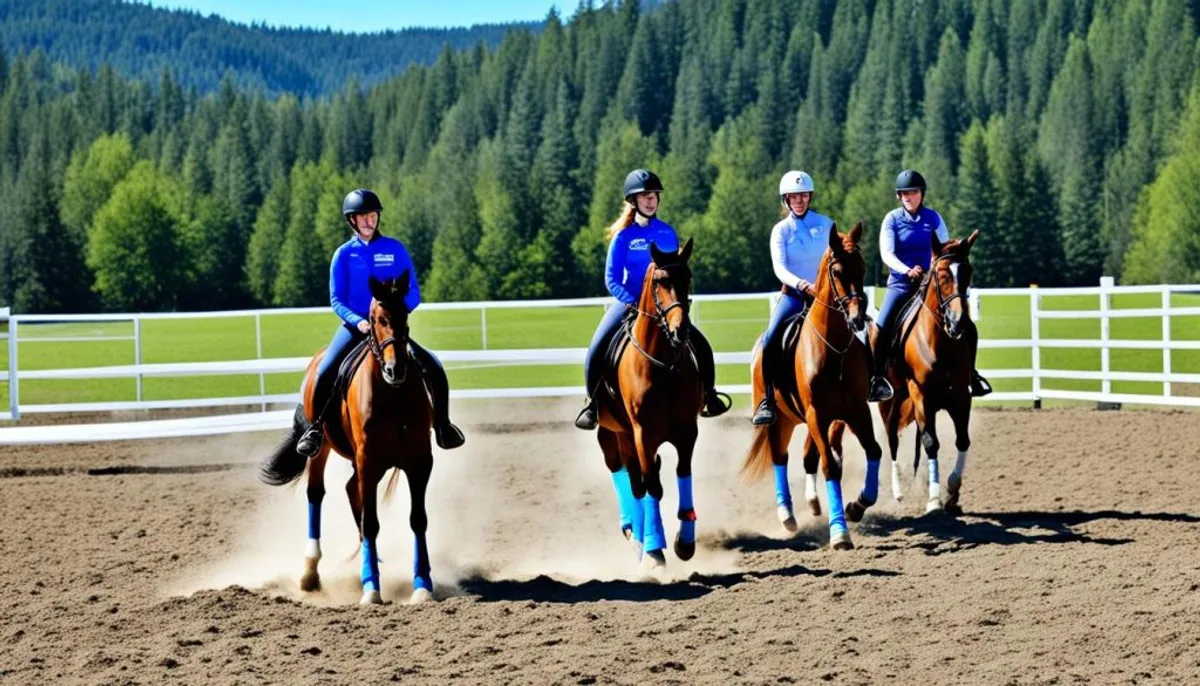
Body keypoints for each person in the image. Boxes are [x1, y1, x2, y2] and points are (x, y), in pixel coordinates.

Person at [295, 188, 465, 457]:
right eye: (362, 217)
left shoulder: (395, 249)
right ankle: (314, 429)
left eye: (372, 216)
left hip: (389, 330)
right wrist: (358, 322)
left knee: (433, 364)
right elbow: (337, 299)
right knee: (325, 370)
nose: (368, 221)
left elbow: (414, 293)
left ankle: (443, 426)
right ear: (352, 221)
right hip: (357, 328)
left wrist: (395, 316)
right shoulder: (343, 254)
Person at [574, 169, 732, 430]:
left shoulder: (667, 233)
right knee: (598, 346)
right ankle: (593, 405)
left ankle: (710, 396)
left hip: (664, 306)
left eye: (654, 196)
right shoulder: (623, 237)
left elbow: (673, 272)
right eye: (644, 196)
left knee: (701, 344)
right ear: (633, 201)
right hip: (630, 303)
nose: (650, 201)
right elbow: (612, 279)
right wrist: (632, 302)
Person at [868, 169, 991, 401]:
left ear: (921, 194)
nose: (908, 196)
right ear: (898, 196)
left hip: (930, 285)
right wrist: (906, 270)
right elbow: (887, 253)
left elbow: (944, 249)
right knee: (880, 327)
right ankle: (876, 379)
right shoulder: (892, 219)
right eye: (903, 193)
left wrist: (932, 269)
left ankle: (971, 374)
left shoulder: (933, 218)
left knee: (967, 325)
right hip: (901, 285)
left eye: (912, 192)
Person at [751, 170, 841, 426]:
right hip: (794, 296)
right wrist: (802, 284)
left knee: (859, 329)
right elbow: (779, 267)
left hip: (825, 297)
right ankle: (766, 400)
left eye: (803, 195)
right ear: (786, 200)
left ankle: (868, 382)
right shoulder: (780, 231)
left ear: (809, 197)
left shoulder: (826, 225)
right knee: (770, 338)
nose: (799, 200)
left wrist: (824, 287)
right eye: (793, 196)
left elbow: (836, 259)